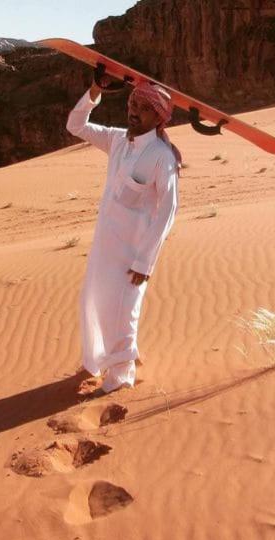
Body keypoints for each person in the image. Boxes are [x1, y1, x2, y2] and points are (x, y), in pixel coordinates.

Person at [66, 77, 181, 396]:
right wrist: (94, 92)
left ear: (159, 117)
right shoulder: (117, 140)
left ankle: (122, 375)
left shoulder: (162, 156)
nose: (135, 112)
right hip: (105, 245)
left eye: (145, 108)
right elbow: (76, 125)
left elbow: (168, 211)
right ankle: (98, 361)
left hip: (132, 252)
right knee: (95, 301)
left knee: (123, 308)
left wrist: (146, 261)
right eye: (133, 104)